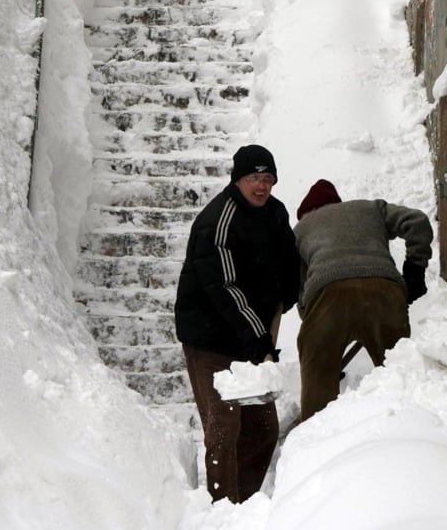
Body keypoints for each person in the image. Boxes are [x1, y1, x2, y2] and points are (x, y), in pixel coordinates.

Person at [174, 145, 300, 504]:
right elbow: (226, 289)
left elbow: (289, 263)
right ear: (237, 180)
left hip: (249, 338)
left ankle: (241, 505)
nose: (261, 186)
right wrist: (260, 339)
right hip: (210, 338)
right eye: (253, 178)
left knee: (263, 428)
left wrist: (287, 295)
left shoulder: (275, 213)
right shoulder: (219, 221)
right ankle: (219, 509)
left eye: (267, 179)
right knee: (224, 424)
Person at [293, 179, 433, 422]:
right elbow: (417, 222)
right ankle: (409, 426)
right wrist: (415, 270)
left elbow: (301, 291)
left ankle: (314, 437)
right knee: (399, 372)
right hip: (384, 290)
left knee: (317, 380)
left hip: (328, 293)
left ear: (309, 211)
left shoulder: (301, 229)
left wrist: (323, 338)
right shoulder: (371, 209)